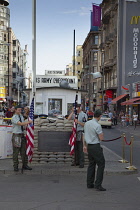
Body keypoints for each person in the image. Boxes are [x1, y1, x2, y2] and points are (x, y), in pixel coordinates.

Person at [83, 109, 106, 191]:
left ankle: (89, 183)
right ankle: (98, 184)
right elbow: (101, 138)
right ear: (100, 116)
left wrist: (84, 146)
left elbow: (84, 135)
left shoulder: (87, 123)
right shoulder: (97, 125)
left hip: (89, 146)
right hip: (95, 146)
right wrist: (101, 135)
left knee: (91, 164)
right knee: (101, 164)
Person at [11, 105, 32, 172]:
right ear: (15, 110)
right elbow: (20, 124)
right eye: (19, 110)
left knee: (24, 151)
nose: (20, 111)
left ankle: (25, 165)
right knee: (16, 152)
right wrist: (28, 122)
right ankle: (16, 166)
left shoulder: (21, 116)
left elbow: (24, 124)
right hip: (16, 135)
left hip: (22, 135)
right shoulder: (14, 117)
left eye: (21, 110)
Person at [68, 104, 87, 168]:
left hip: (80, 132)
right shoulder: (75, 115)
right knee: (75, 148)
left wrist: (78, 122)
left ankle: (81, 163)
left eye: (76, 108)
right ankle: (76, 161)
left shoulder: (83, 115)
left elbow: (85, 124)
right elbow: (68, 118)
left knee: (80, 148)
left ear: (79, 108)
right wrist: (72, 112)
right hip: (75, 132)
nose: (75, 109)